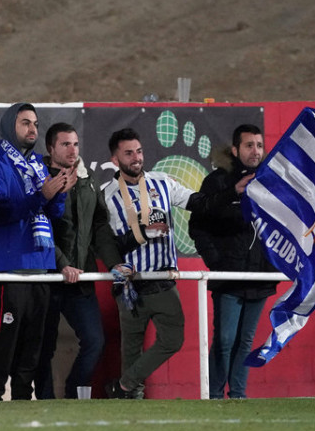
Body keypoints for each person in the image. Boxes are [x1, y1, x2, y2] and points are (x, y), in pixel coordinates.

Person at [102, 128, 246, 399]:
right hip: (130, 285)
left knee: (173, 340)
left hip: (162, 280)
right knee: (130, 349)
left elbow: (200, 203)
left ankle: (122, 386)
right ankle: (131, 406)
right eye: (128, 153)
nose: (136, 158)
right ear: (114, 159)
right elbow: (109, 245)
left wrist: (231, 191)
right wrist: (142, 234)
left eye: (139, 151)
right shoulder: (107, 196)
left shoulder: (163, 182)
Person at [0, 102, 75, 401]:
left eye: (35, 124)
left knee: (33, 343)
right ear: (9, 127)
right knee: (3, 341)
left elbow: (52, 214)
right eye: (25, 123)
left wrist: (57, 195)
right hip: (9, 267)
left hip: (41, 266)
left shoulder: (38, 166)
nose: (32, 129)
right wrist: (40, 195)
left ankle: (21, 400)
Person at [34, 123, 126, 400]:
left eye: (75, 144)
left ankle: (74, 394)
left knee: (95, 341)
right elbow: (40, 225)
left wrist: (113, 263)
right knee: (42, 348)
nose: (72, 150)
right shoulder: (39, 179)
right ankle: (46, 402)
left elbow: (99, 227)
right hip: (47, 277)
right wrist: (61, 263)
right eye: (65, 144)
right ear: (50, 149)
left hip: (80, 278)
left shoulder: (88, 180)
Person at [188, 124, 277, 399]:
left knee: (246, 341)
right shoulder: (218, 182)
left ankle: (238, 394)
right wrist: (216, 261)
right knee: (225, 340)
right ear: (236, 149)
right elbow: (197, 227)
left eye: (260, 145)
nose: (256, 151)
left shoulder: (272, 181)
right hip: (228, 275)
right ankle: (214, 394)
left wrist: (274, 264)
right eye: (249, 145)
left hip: (260, 275)